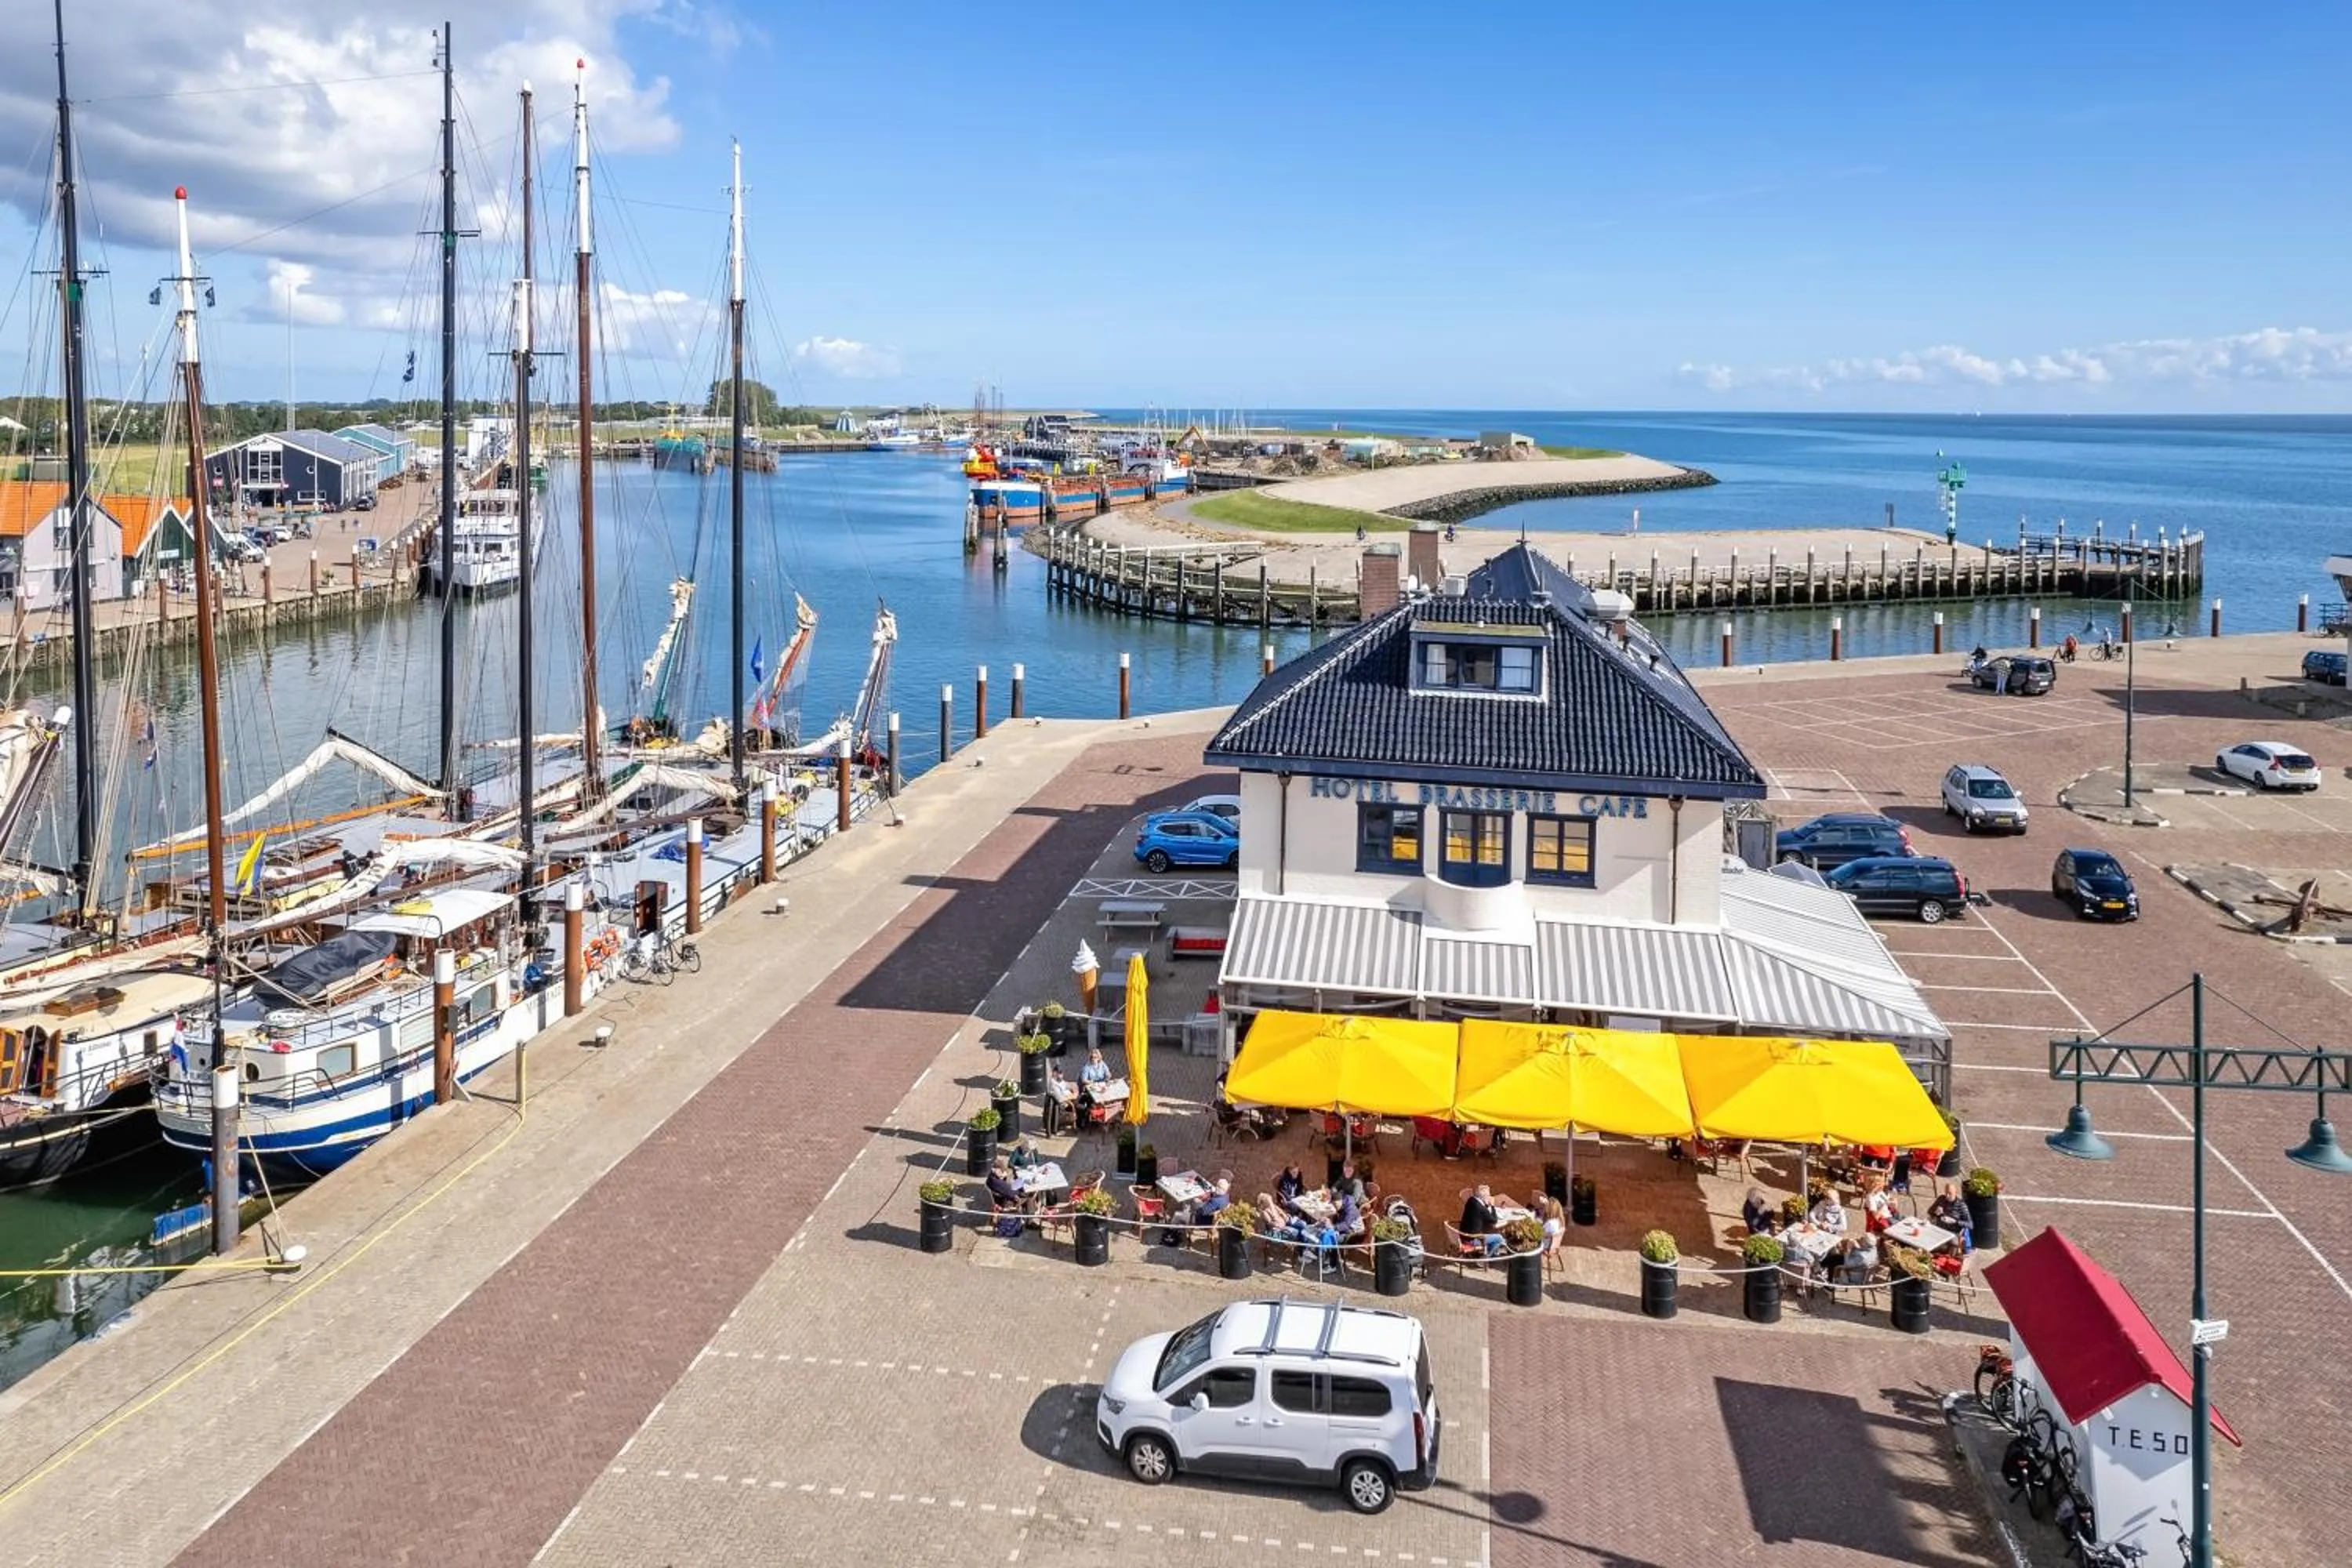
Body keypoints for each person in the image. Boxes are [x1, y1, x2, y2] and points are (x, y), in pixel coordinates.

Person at [1459, 1184, 1504, 1256]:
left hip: (1463, 1236)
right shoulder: (1481, 1208)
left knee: (1488, 1232)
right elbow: (1494, 1220)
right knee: (1500, 1238)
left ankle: (1493, 1252)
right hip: (1472, 1240)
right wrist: (1492, 1206)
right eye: (1489, 1196)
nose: (1490, 1197)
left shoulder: (1471, 1200)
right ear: (1484, 1197)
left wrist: (1486, 1204)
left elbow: (1479, 1213)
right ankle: (1486, 1257)